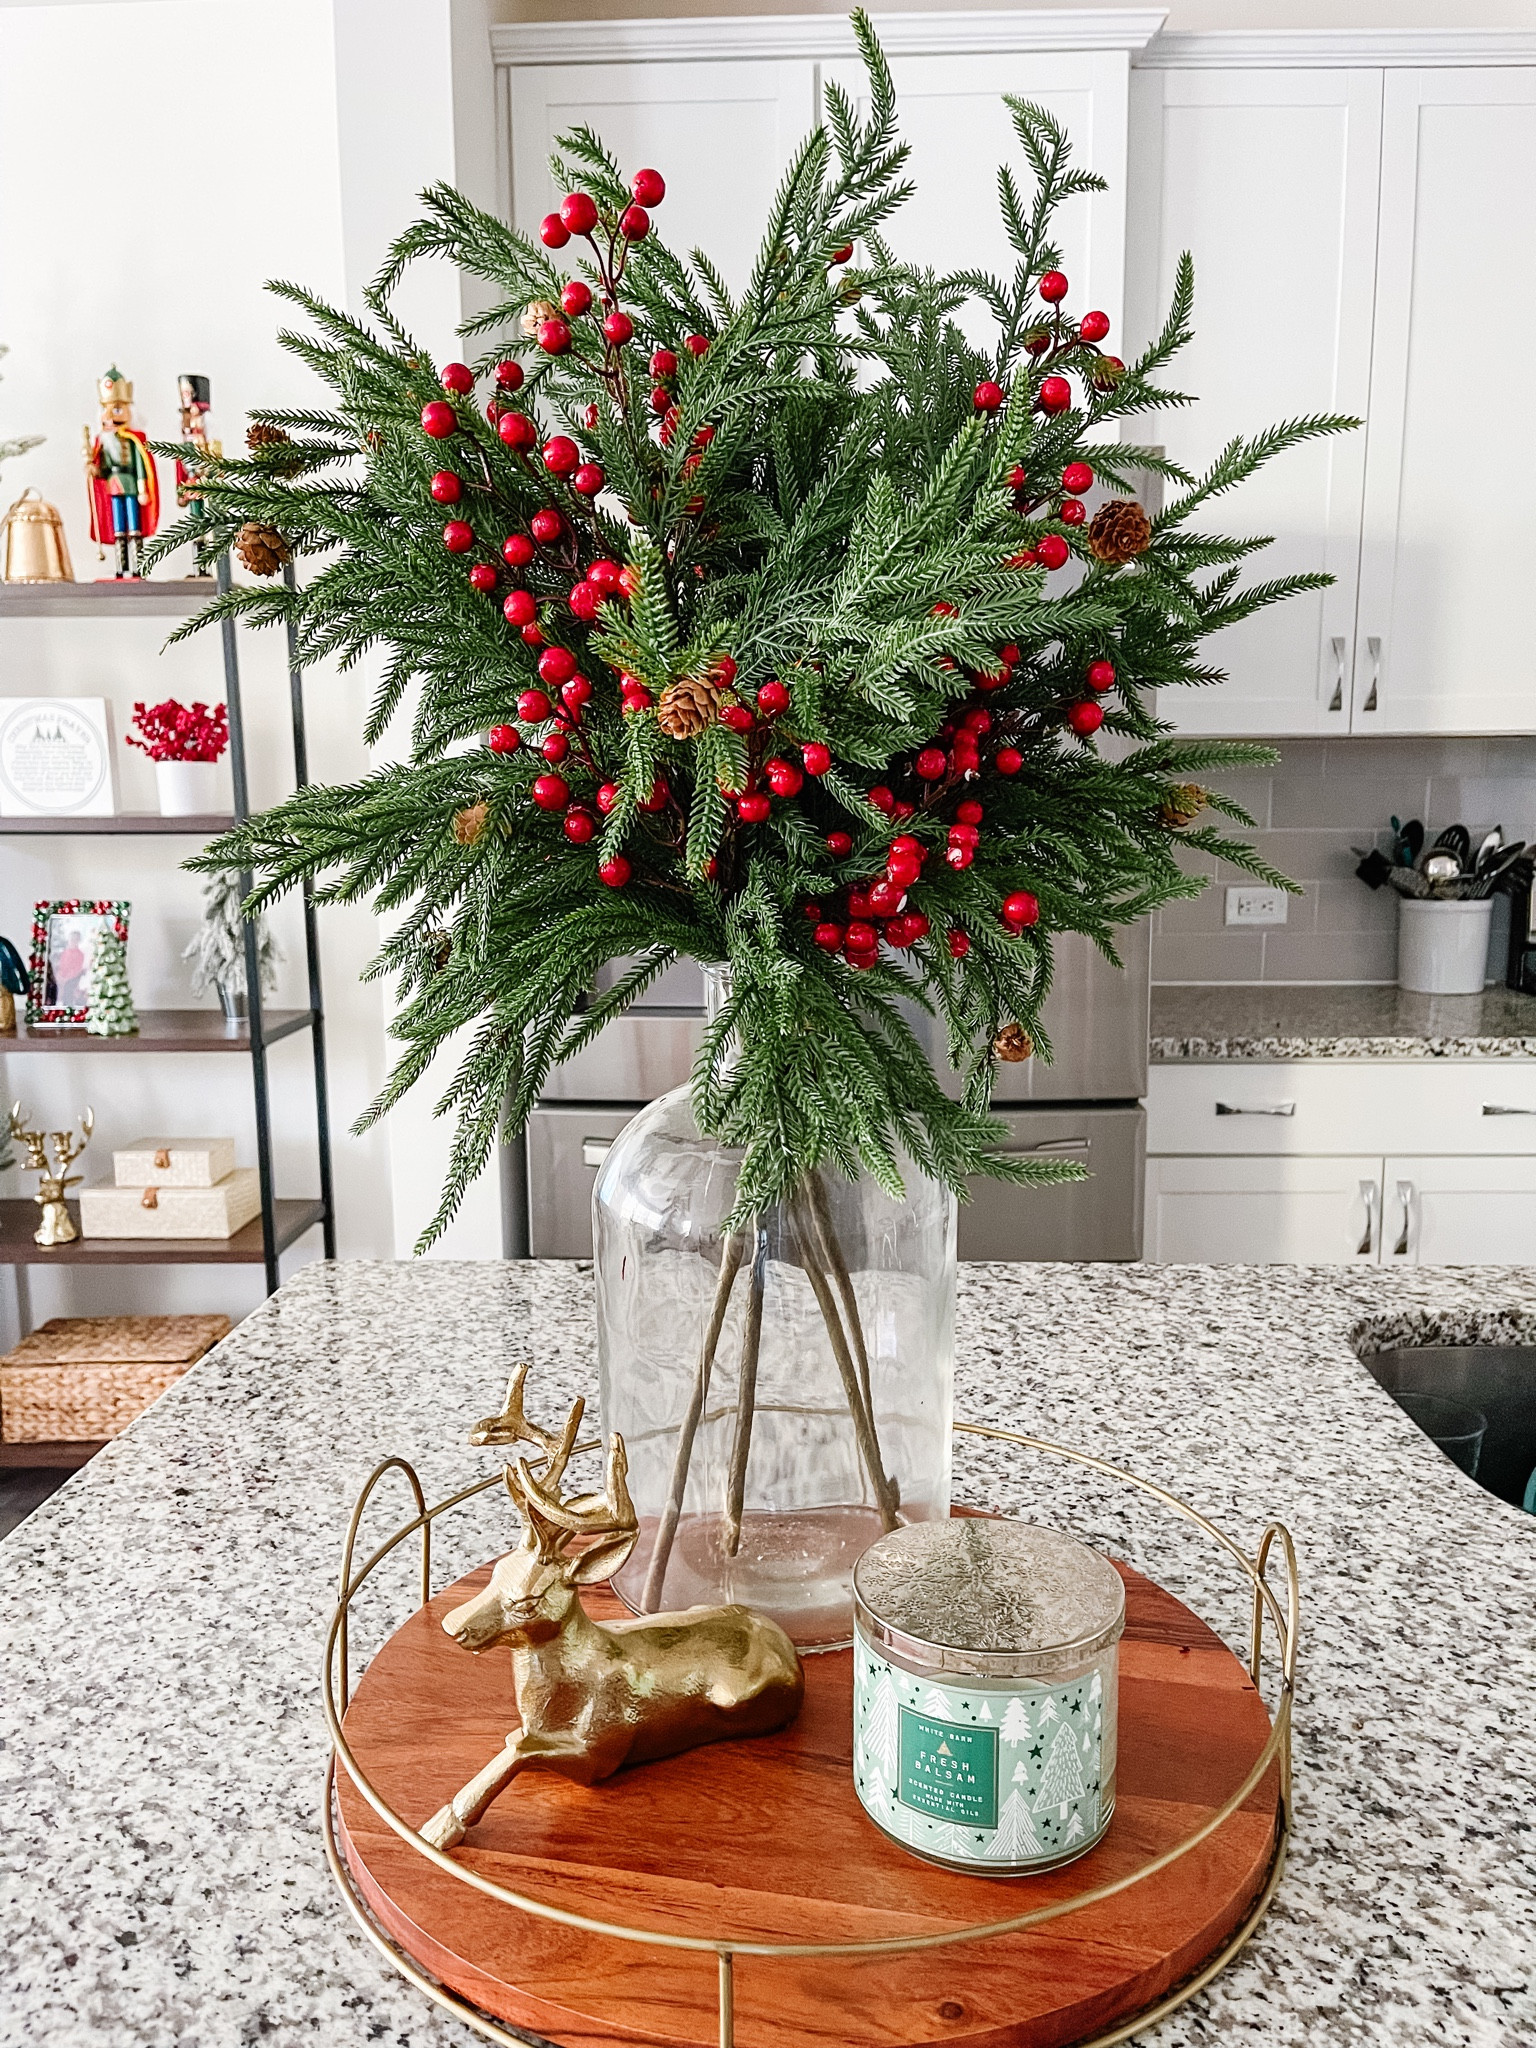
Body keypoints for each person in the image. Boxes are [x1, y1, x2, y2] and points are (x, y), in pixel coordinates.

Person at [85, 368, 159, 579]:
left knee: (134, 527)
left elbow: (140, 464)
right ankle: (121, 567)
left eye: (116, 410)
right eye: (108, 411)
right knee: (119, 528)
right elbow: (104, 468)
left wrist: (143, 487)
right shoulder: (104, 442)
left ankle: (138, 567)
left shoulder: (133, 440)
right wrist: (95, 470)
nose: (110, 417)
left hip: (132, 484)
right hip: (113, 484)